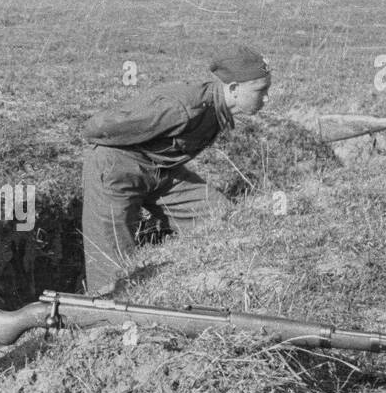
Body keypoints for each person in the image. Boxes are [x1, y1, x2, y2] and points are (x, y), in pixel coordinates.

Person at [80, 45, 271, 295]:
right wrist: (122, 160)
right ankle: (104, 324)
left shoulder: (213, 107)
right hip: (117, 171)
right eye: (261, 90)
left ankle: (215, 285)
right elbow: (96, 128)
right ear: (234, 89)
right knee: (114, 270)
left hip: (159, 171)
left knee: (222, 218)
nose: (267, 98)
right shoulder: (181, 108)